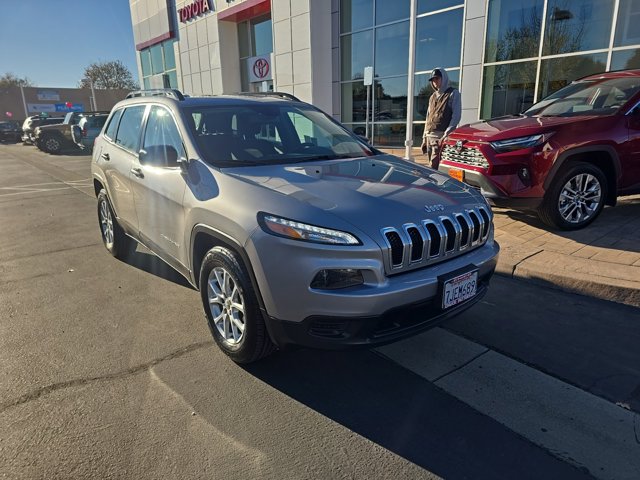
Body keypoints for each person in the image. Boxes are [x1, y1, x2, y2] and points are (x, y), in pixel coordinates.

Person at [421, 68, 461, 170]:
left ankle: (433, 185)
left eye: (437, 79)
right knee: (432, 167)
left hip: (440, 136)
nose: (435, 82)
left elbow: (456, 116)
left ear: (443, 78)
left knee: (434, 167)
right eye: (433, 80)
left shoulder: (453, 93)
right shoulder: (432, 97)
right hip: (429, 137)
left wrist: (446, 134)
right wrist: (424, 138)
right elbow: (428, 117)